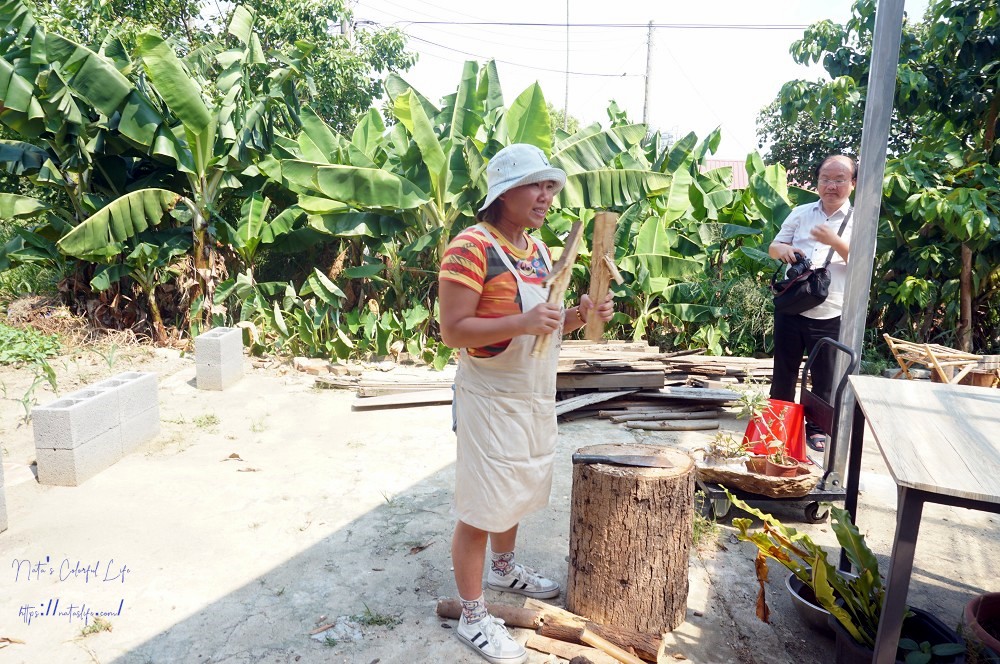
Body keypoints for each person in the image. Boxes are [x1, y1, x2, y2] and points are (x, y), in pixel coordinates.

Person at [438, 143, 614, 664]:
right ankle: (473, 617)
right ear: (504, 192)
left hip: (532, 393)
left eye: (550, 186)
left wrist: (582, 314)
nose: (546, 195)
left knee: (516, 486)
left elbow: (547, 323)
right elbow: (452, 330)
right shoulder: (471, 248)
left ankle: (504, 566)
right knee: (480, 504)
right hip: (489, 396)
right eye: (536, 185)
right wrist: (520, 322)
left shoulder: (536, 252)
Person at [768, 154, 856, 453]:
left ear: (852, 184)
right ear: (817, 182)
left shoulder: (860, 220)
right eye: (825, 179)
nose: (831, 185)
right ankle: (777, 422)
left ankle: (816, 428)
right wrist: (786, 251)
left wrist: (835, 241)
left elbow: (862, 264)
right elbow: (773, 247)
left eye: (839, 179)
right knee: (784, 370)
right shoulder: (801, 212)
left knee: (824, 376)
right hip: (793, 307)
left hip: (831, 309)